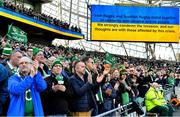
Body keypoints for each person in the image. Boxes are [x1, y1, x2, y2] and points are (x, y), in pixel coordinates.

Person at [0, 49, 23, 116]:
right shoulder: (3, 68)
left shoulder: (21, 70)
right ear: (12, 56)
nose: (21, 59)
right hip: (5, 104)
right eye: (19, 57)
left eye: (22, 57)